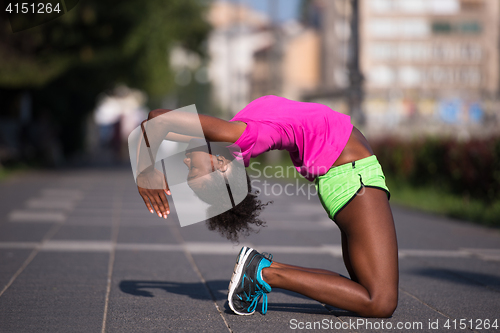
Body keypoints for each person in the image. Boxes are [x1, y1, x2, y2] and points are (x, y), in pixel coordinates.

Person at [135, 95, 399, 318]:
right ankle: (265, 271)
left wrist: (147, 171)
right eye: (194, 169)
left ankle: (262, 269)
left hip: (346, 173)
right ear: (220, 165)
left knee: (363, 290)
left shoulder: (233, 133)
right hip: (351, 175)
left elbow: (156, 119)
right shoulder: (238, 134)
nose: (184, 163)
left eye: (188, 169)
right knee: (379, 301)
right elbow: (159, 118)